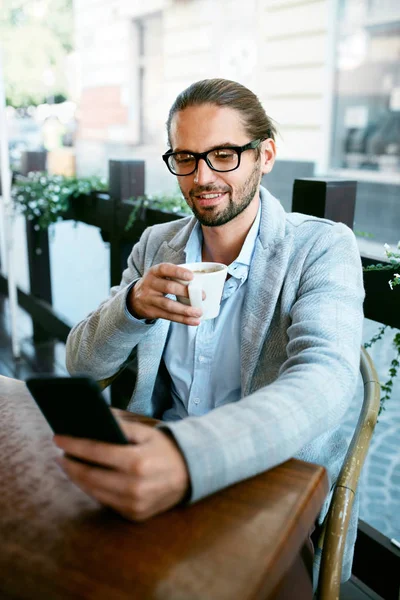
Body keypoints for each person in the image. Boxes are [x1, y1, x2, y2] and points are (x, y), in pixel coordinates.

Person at [61, 79, 364, 584]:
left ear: (264, 155)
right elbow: (81, 364)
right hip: (154, 473)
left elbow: (328, 380)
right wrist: (132, 306)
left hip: (268, 487)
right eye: (185, 157)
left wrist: (192, 456)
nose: (201, 176)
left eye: (223, 154)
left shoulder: (321, 247)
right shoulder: (157, 245)